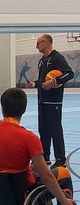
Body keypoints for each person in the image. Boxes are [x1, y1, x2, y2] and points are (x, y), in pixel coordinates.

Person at [0, 87, 75, 205]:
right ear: (24, 109)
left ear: (2, 108)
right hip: (23, 192)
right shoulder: (28, 138)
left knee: (36, 175)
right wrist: (64, 201)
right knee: (62, 173)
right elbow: (47, 177)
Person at [25, 34, 74, 168]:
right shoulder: (42, 60)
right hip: (42, 101)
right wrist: (35, 84)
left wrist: (55, 81)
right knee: (43, 130)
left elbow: (69, 73)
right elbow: (43, 81)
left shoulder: (57, 57)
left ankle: (60, 158)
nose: (36, 45)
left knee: (55, 130)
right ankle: (45, 156)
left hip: (54, 102)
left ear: (45, 42)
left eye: (38, 43)